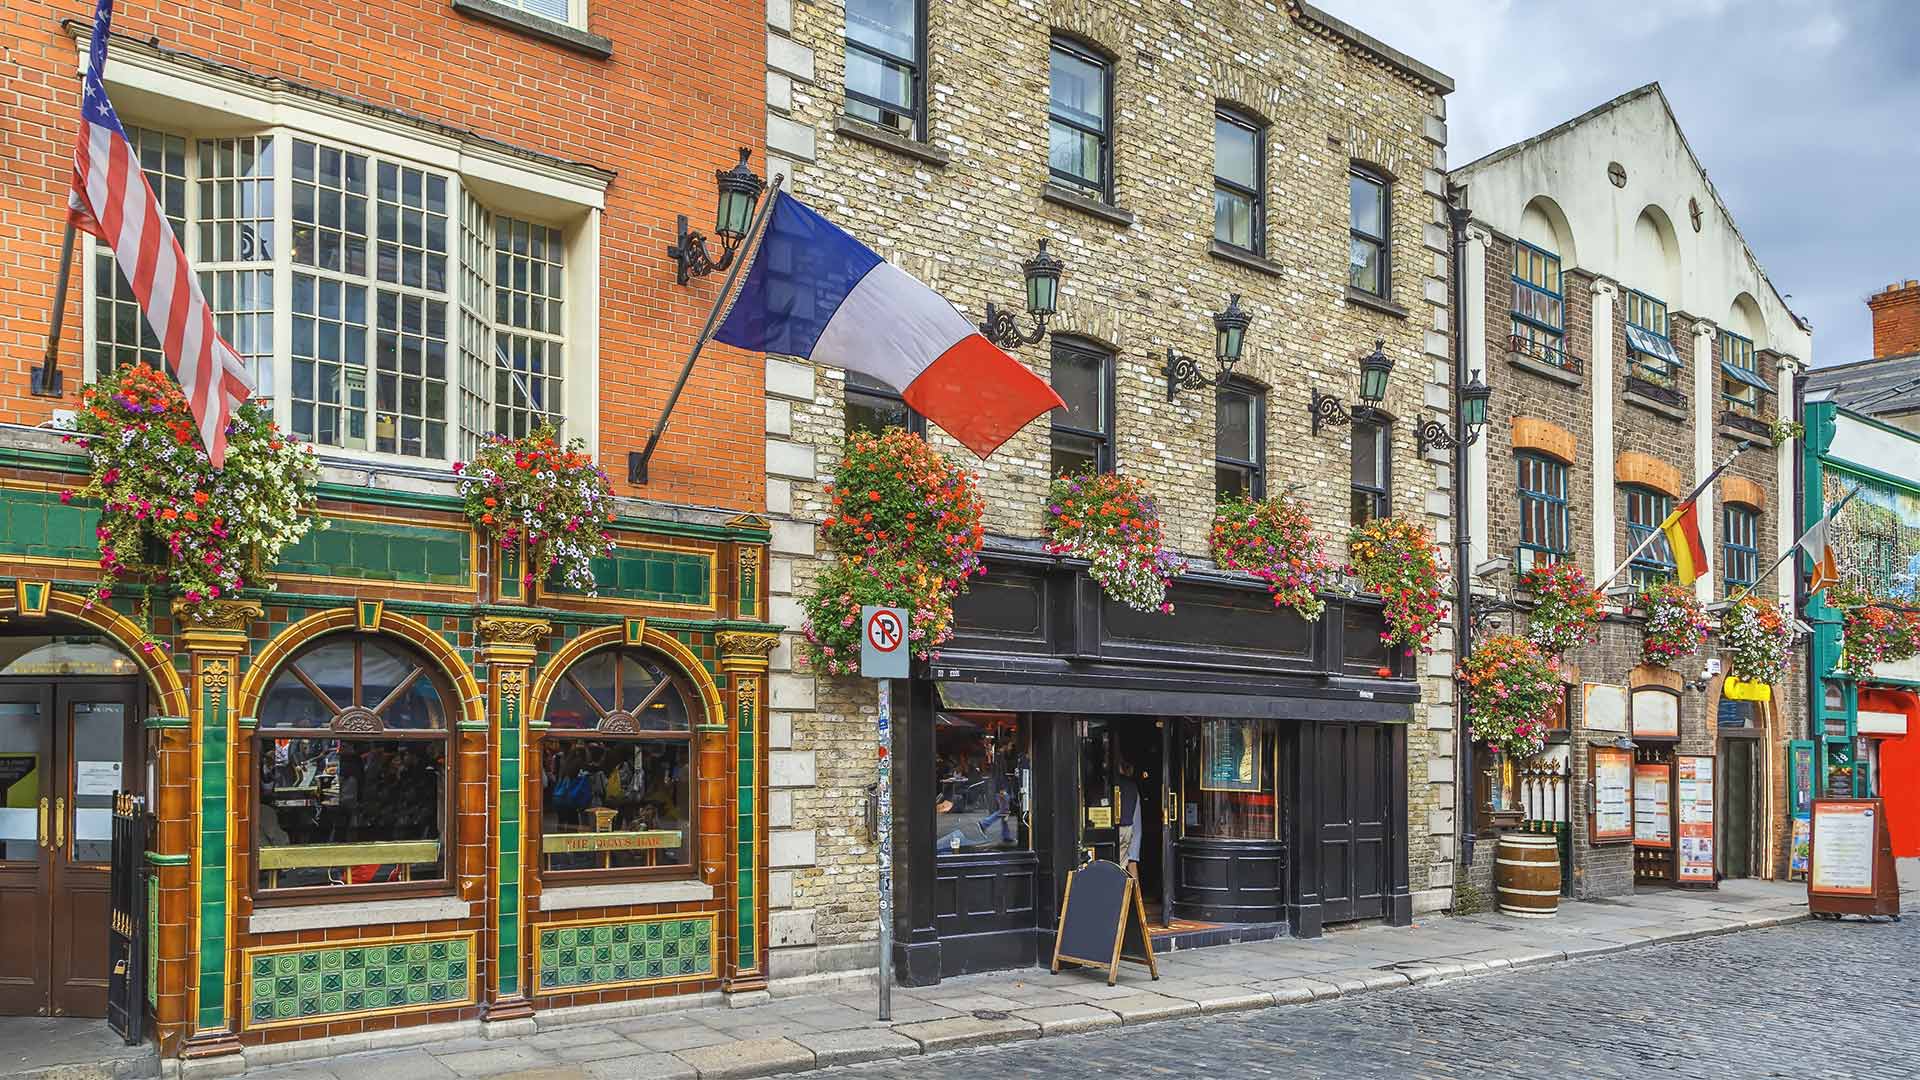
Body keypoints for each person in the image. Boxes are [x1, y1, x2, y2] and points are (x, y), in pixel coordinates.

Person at [1114, 754, 1141, 877]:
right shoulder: (1132, 786)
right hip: (1128, 828)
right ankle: (1130, 895)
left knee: (1115, 866)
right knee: (1123, 865)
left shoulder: (1113, 783)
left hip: (1118, 828)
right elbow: (1136, 818)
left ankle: (1118, 894)